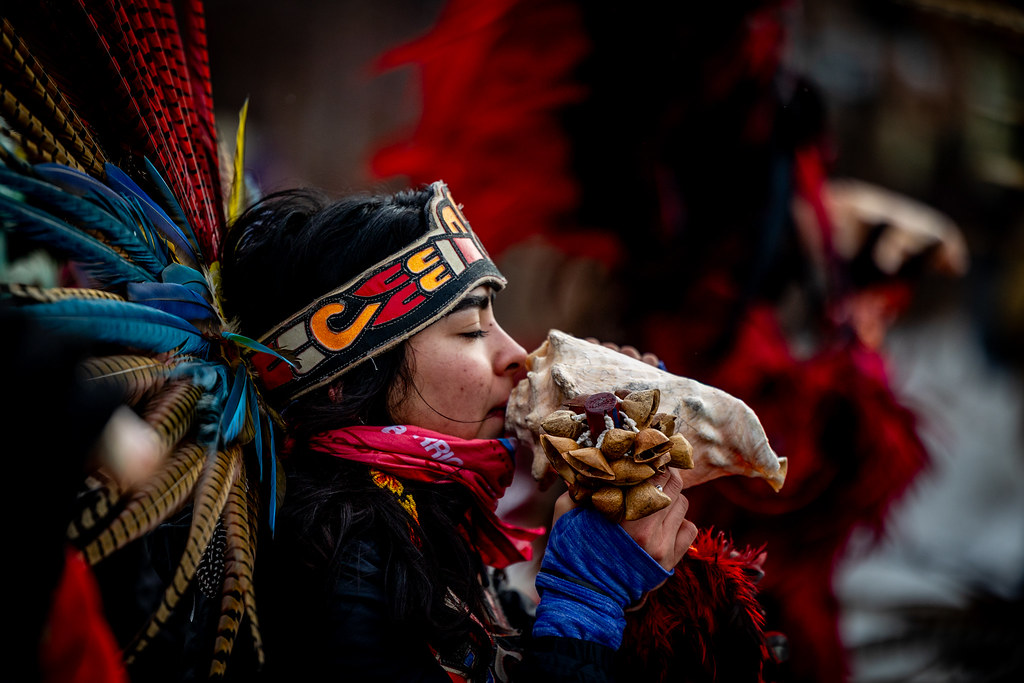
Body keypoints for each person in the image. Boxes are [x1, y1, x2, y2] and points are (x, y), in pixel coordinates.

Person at [220, 181, 698, 681]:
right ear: (344, 381)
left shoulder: (428, 514)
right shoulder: (336, 561)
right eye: (472, 330)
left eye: (496, 321)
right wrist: (587, 598)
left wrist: (632, 476)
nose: (516, 354)